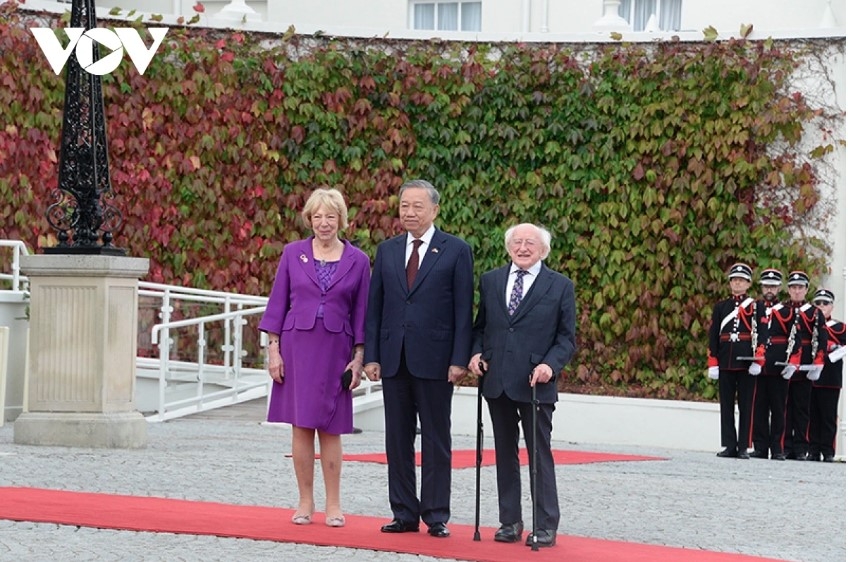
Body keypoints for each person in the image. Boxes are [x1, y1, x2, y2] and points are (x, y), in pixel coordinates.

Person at [363, 179, 473, 539]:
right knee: (397, 439)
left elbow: (462, 310)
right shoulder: (388, 250)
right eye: (404, 206)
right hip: (394, 360)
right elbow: (375, 308)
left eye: (417, 206)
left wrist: (459, 359)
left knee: (436, 440)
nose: (409, 212)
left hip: (437, 361)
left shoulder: (456, 250)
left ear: (435, 210)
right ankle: (404, 512)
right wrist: (372, 355)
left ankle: (436, 514)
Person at [258, 187, 371, 528]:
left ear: (341, 220)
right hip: (297, 347)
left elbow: (362, 312)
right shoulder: (293, 254)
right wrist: (273, 351)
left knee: (332, 427)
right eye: (317, 216)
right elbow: (278, 303)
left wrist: (359, 358)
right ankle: (305, 502)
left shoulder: (359, 260)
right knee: (301, 425)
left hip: (338, 349)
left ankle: (334, 505)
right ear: (309, 219)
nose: (324, 223)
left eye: (330, 216)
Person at [468, 223, 577, 548]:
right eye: (517, 242)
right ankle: (509, 521)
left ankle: (545, 524)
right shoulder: (491, 280)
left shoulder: (560, 286)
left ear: (543, 249)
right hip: (498, 379)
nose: (523, 247)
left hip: (535, 382)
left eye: (530, 243)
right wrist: (475, 354)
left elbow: (566, 339)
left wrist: (549, 365)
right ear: (508, 247)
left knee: (539, 454)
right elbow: (480, 327)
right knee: (504, 452)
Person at [706, 263, 760, 459]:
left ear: (748, 283)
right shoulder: (721, 307)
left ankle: (744, 446)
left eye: (741, 280)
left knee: (746, 405)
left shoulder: (755, 306)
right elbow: (714, 335)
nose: (737, 283)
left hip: (747, 360)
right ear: (730, 283)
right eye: (734, 280)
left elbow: (762, 335)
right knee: (726, 405)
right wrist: (713, 362)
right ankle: (729, 444)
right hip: (726, 359)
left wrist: (758, 361)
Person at [782, 271, 827, 460]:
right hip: (785, 363)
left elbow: (821, 338)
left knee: (801, 408)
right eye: (793, 287)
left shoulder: (814, 312)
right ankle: (785, 445)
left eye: (800, 287)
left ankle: (800, 447)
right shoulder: (783, 309)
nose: (796, 291)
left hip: (805, 363)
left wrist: (818, 362)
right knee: (784, 407)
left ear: (806, 289)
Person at [750, 268, 783, 458]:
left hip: (778, 364)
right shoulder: (754, 308)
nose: (769, 289)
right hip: (758, 365)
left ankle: (778, 448)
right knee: (759, 407)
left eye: (773, 286)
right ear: (761, 287)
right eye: (766, 286)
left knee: (779, 408)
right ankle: (760, 446)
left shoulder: (786, 310)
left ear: (779, 288)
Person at [808, 288, 844, 462]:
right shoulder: (808, 324)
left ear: (832, 306)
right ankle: (813, 450)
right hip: (810, 376)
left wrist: (833, 348)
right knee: (811, 415)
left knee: (828, 416)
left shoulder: (840, 327)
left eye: (825, 303)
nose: (822, 306)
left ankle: (828, 451)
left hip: (830, 377)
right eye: (818, 303)